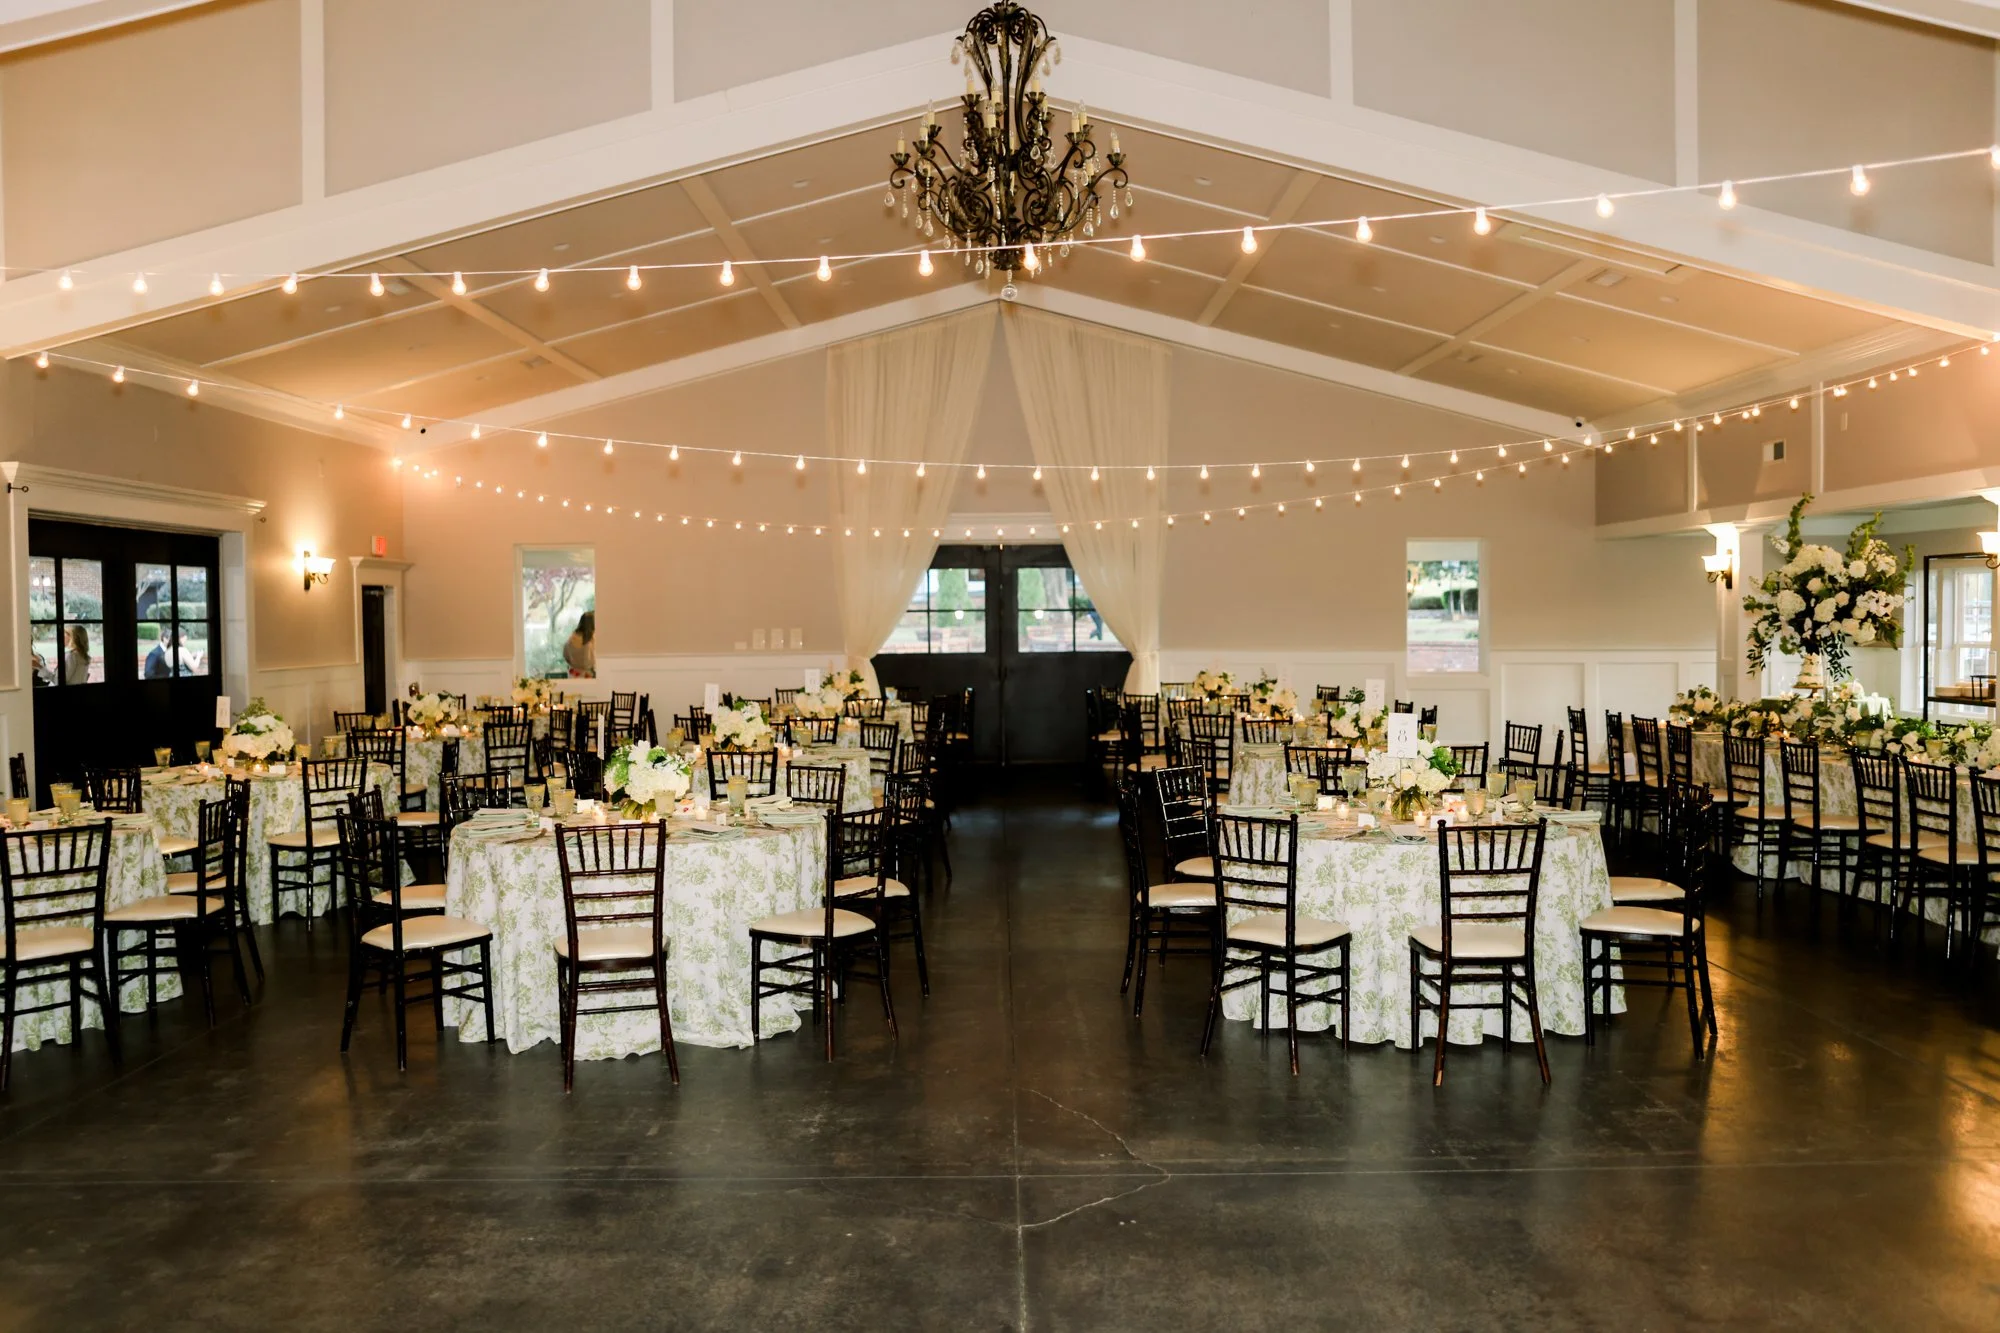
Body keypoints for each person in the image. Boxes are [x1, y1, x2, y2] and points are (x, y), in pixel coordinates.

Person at [563, 610, 596, 678]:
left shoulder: (571, 638)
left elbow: (565, 656)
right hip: (589, 676)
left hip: (573, 674)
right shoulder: (592, 639)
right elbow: (593, 661)